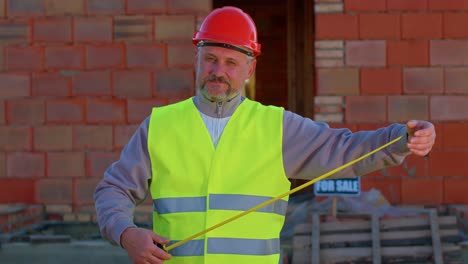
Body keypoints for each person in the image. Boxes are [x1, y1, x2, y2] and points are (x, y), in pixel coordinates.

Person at [94, 6, 436, 264]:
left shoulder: (278, 127)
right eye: (210, 59)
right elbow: (114, 188)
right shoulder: (161, 125)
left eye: (231, 62)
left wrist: (401, 139)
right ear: (196, 59)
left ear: (250, 68)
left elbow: (345, 150)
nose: (218, 71)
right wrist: (126, 234)